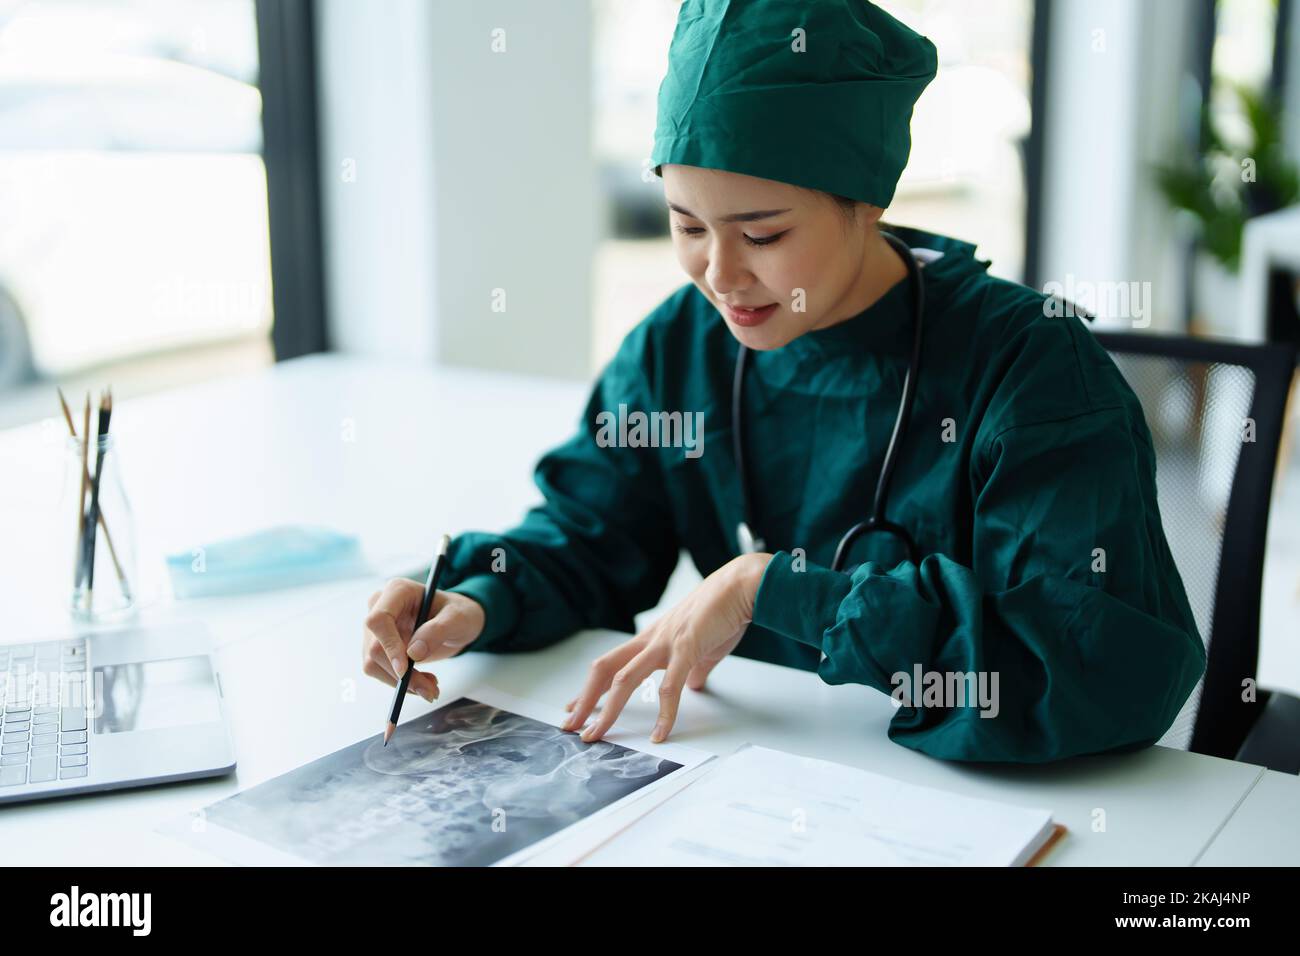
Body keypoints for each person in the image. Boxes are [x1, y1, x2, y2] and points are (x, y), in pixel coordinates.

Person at [361, 0, 1205, 762]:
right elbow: (593, 532)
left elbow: (1096, 667)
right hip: (746, 768)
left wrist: (781, 589)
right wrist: (476, 598)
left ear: (867, 200)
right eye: (687, 226)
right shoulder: (678, 348)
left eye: (761, 235)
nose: (720, 276)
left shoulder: (1032, 371)